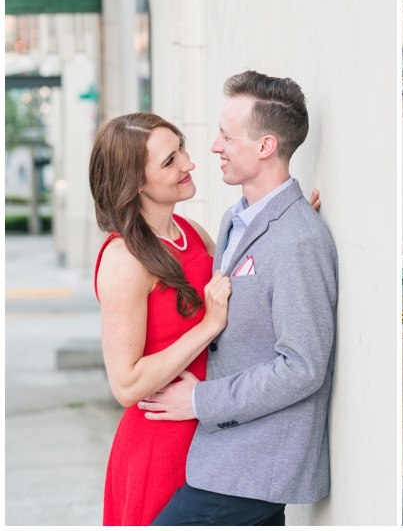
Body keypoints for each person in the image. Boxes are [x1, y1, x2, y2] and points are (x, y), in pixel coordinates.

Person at [90, 113, 320, 525]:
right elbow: (125, 384)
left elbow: (244, 286)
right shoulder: (124, 260)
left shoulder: (190, 231)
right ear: (134, 182)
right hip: (160, 442)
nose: (188, 163)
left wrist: (286, 227)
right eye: (169, 161)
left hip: (212, 434)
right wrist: (207, 327)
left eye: (181, 149)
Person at [139, 72, 338, 526]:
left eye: (227, 136)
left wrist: (201, 400)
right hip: (223, 458)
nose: (214, 147)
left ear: (265, 146)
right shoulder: (235, 219)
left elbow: (303, 367)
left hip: (254, 467)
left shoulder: (299, 241)